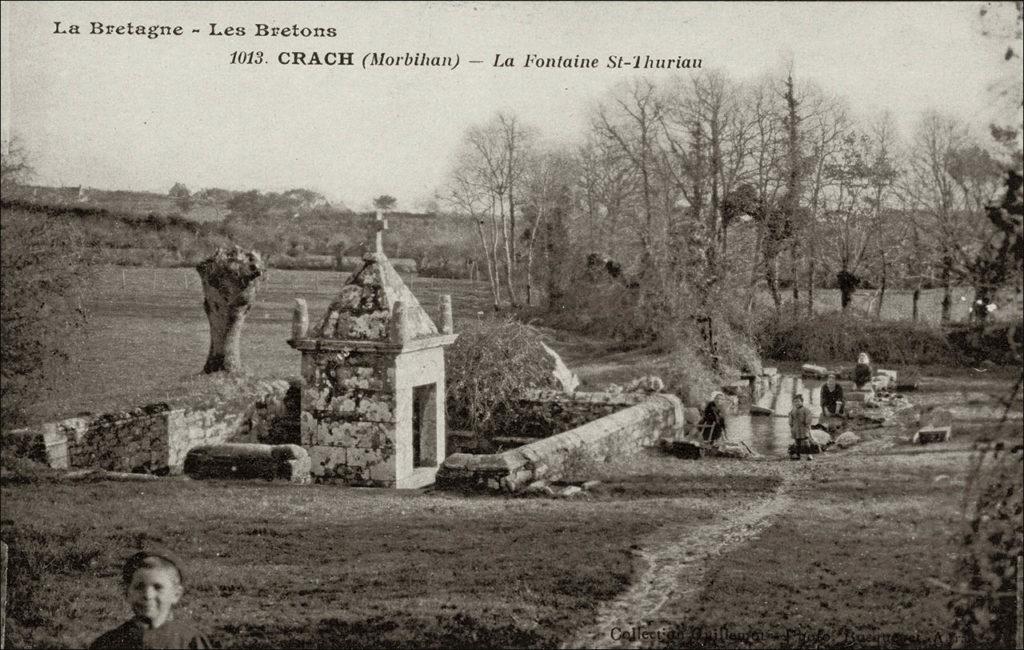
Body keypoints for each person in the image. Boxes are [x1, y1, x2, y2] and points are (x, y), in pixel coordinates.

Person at [91, 550, 212, 649]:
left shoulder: (189, 641)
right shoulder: (109, 643)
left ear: (176, 594)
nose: (148, 595)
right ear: (127, 593)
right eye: (139, 587)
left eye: (158, 587)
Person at [789, 394, 814, 460]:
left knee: (806, 441)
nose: (797, 403)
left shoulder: (806, 410)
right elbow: (790, 419)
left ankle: (809, 455)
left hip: (803, 428)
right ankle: (798, 455)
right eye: (795, 402)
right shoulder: (793, 411)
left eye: (798, 401)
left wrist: (807, 424)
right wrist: (791, 425)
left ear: (802, 402)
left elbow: (809, 418)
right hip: (796, 429)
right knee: (797, 442)